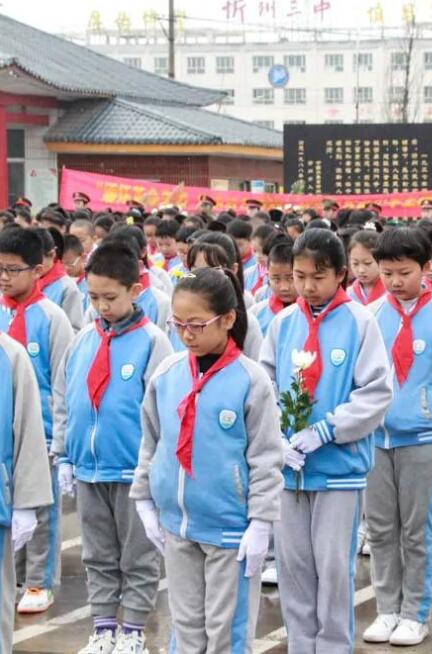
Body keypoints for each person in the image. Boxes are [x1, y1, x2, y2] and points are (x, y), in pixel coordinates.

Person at [130, 268, 282, 652]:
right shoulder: (167, 374)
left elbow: (265, 457)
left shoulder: (250, 380)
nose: (186, 334)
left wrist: (261, 521)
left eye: (197, 325)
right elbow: (152, 441)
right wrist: (144, 496)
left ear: (228, 319)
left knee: (226, 629)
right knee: (186, 626)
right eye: (178, 324)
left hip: (230, 530)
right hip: (178, 525)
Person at [259, 229, 392, 653]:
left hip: (338, 470)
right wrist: (275, 437)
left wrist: (326, 430)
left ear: (340, 274)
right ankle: (301, 645)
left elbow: (376, 392)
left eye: (318, 277)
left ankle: (333, 646)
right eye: (299, 276)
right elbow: (263, 386)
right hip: (290, 471)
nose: (307, 286)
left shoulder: (360, 322)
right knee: (293, 567)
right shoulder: (282, 324)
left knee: (333, 570)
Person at [52, 241, 172, 654]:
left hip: (132, 471)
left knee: (137, 555)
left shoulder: (153, 342)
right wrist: (64, 455)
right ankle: (103, 628)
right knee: (98, 554)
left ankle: (133, 630)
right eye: (94, 297)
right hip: (89, 469)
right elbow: (64, 399)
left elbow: (161, 412)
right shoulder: (83, 340)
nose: (102, 306)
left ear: (135, 290)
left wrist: (152, 468)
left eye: (111, 297)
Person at [362, 227, 432, 646]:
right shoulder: (370, 317)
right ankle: (387, 609)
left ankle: (415, 613)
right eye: (387, 273)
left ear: (425, 268)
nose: (394, 281)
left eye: (404, 272)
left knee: (417, 530)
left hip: (423, 438)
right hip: (376, 440)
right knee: (380, 529)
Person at [0, 227, 73, 614]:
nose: (5, 277)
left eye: (13, 270)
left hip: (40, 430)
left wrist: (60, 437)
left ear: (37, 269)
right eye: (0, 269)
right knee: (8, 509)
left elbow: (62, 381)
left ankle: (39, 581)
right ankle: (11, 576)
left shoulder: (52, 317)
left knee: (42, 511)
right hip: (4, 431)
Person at [35, 227, 84, 331]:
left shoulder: (67, 288)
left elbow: (74, 330)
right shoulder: (26, 281)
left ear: (52, 254)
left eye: (38, 259)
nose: (34, 265)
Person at [253, 239, 297, 335]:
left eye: (291, 278)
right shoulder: (256, 313)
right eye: (276, 279)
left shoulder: (313, 313)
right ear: (268, 276)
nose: (284, 287)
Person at [348, 230, 386, 305]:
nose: (361, 270)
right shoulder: (348, 293)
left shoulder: (391, 291)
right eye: (355, 264)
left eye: (367, 263)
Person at [228, 219, 262, 294]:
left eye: (240, 245)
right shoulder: (228, 260)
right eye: (233, 244)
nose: (236, 248)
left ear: (250, 241)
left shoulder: (257, 261)